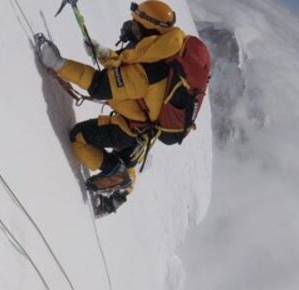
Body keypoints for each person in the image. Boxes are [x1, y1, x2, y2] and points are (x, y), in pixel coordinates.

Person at [37, 1, 190, 215]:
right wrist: (103, 53)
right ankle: (120, 194)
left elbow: (100, 84)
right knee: (126, 162)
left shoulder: (148, 73)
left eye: (136, 23)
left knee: (78, 138)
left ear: (149, 28)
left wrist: (58, 64)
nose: (130, 26)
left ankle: (114, 173)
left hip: (127, 130)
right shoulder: (166, 48)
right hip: (144, 134)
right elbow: (131, 63)